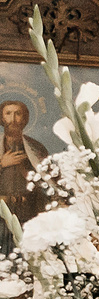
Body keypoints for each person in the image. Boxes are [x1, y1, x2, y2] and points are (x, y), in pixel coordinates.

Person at [0, 96, 49, 228]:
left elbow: (48, 180)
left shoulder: (36, 147)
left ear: (24, 119)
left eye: (18, 113)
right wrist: (2, 164)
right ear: (2, 118)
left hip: (29, 213)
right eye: (8, 113)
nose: (13, 119)